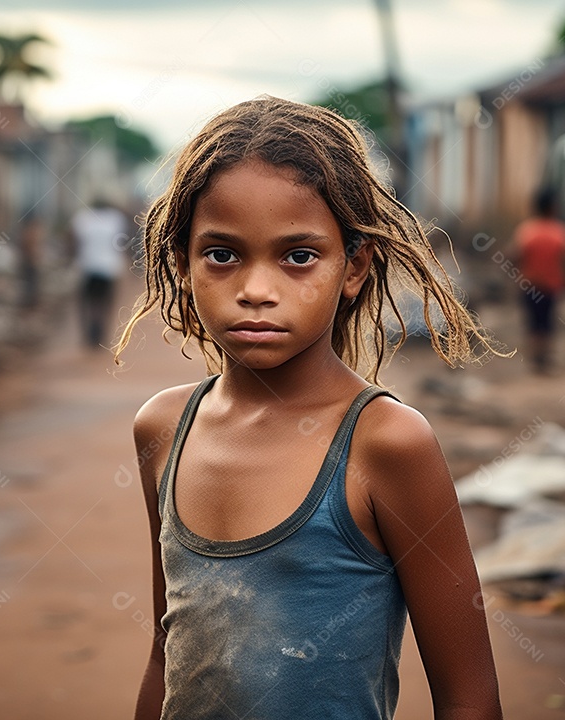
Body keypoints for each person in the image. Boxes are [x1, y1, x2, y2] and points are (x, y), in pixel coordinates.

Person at [114, 96, 504, 720]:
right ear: (183, 263)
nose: (257, 290)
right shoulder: (163, 428)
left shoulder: (386, 444)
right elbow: (167, 652)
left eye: (298, 256)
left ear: (353, 268)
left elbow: (469, 698)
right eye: (222, 254)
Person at [510, 188, 565, 374]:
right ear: (553, 207)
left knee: (533, 322)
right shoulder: (560, 232)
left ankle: (536, 358)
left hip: (529, 285)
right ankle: (544, 357)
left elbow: (515, 255)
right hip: (551, 287)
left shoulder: (526, 231)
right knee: (547, 322)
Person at [70, 197, 129, 348]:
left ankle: (89, 333)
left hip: (88, 266)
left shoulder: (82, 218)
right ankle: (101, 332)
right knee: (104, 302)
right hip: (109, 267)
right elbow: (121, 243)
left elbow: (74, 243)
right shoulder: (116, 218)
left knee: (88, 302)